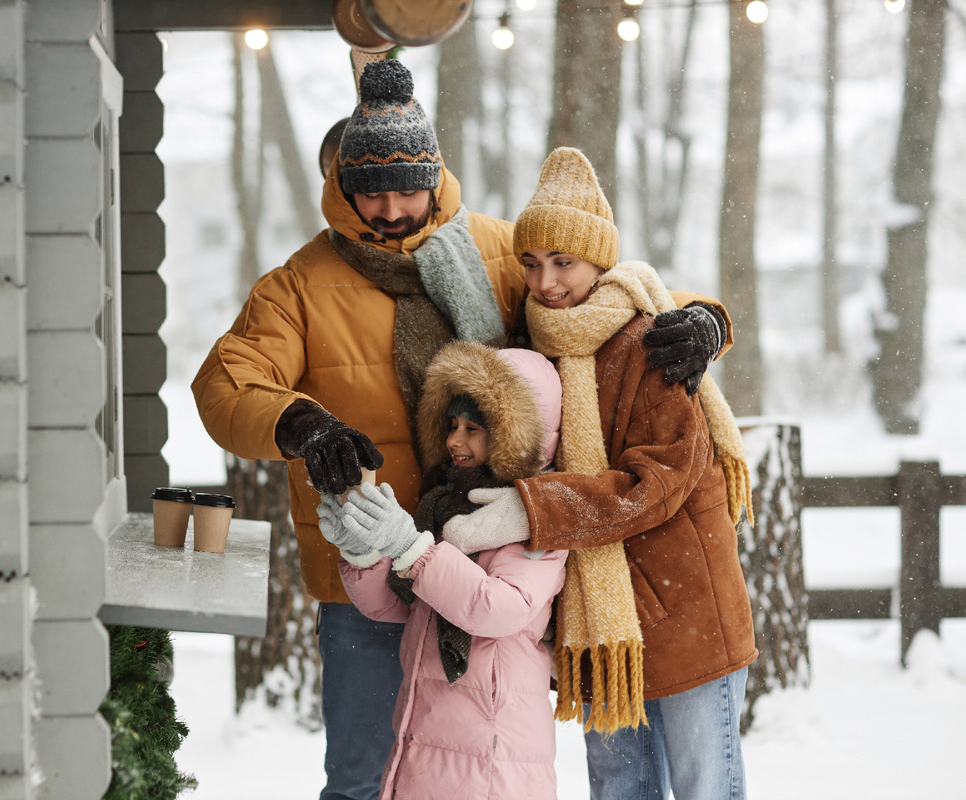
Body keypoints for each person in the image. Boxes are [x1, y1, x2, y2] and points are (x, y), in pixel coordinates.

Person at [192, 58, 731, 800]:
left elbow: (599, 297)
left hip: (492, 565)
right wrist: (299, 422)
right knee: (361, 776)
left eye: (406, 187)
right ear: (341, 186)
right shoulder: (299, 284)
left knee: (482, 769)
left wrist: (705, 318)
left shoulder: (495, 251)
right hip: (369, 575)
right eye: (370, 191)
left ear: (434, 171)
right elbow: (226, 382)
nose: (389, 208)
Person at [441, 147, 758, 800]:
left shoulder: (653, 342)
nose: (546, 282)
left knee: (707, 787)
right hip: (600, 627)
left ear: (600, 261)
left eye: (564, 262)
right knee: (619, 790)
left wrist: (534, 508)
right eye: (531, 264)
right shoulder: (533, 349)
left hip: (687, 605)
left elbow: (658, 485)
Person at [320, 340, 567, 800]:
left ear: (516, 433)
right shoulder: (443, 504)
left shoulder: (538, 519)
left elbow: (498, 608)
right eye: (452, 425)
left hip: (492, 751)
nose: (455, 441)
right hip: (427, 732)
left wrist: (412, 548)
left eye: (474, 428)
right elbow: (400, 607)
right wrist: (364, 553)